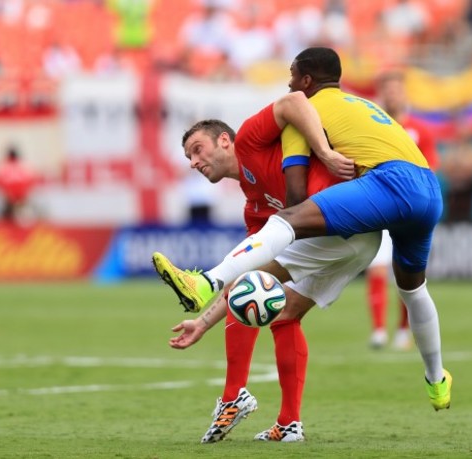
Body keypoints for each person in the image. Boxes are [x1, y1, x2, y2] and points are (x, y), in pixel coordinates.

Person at [153, 46, 452, 414]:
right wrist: (203, 322)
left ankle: (206, 282)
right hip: (428, 190)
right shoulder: (360, 104)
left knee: (287, 224)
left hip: (386, 187)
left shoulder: (298, 113)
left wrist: (323, 155)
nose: (289, 84)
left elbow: (294, 199)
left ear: (306, 81)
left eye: (293, 76)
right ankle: (437, 380)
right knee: (412, 290)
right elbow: (262, 258)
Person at [158, 110, 380, 442]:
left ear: (223, 140)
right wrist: (202, 325)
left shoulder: (251, 140)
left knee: (244, 283)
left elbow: (295, 100)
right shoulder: (255, 207)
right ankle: (289, 424)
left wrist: (326, 151)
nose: (193, 161)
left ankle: (234, 396)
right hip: (354, 242)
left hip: (348, 220)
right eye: (189, 156)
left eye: (197, 149)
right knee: (283, 313)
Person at [367, 70, 440, 350]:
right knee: (377, 268)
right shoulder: (371, 127)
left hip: (410, 211)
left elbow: (431, 166)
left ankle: (401, 330)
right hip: (376, 207)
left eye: (397, 89)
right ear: (381, 94)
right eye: (388, 89)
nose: (393, 94)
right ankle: (378, 330)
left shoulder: (419, 130)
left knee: (405, 272)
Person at [0, 145, 39, 222]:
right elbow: (33, 181)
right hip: (21, 199)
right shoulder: (25, 167)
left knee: (8, 219)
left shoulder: (2, 167)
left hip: (10, 200)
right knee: (22, 218)